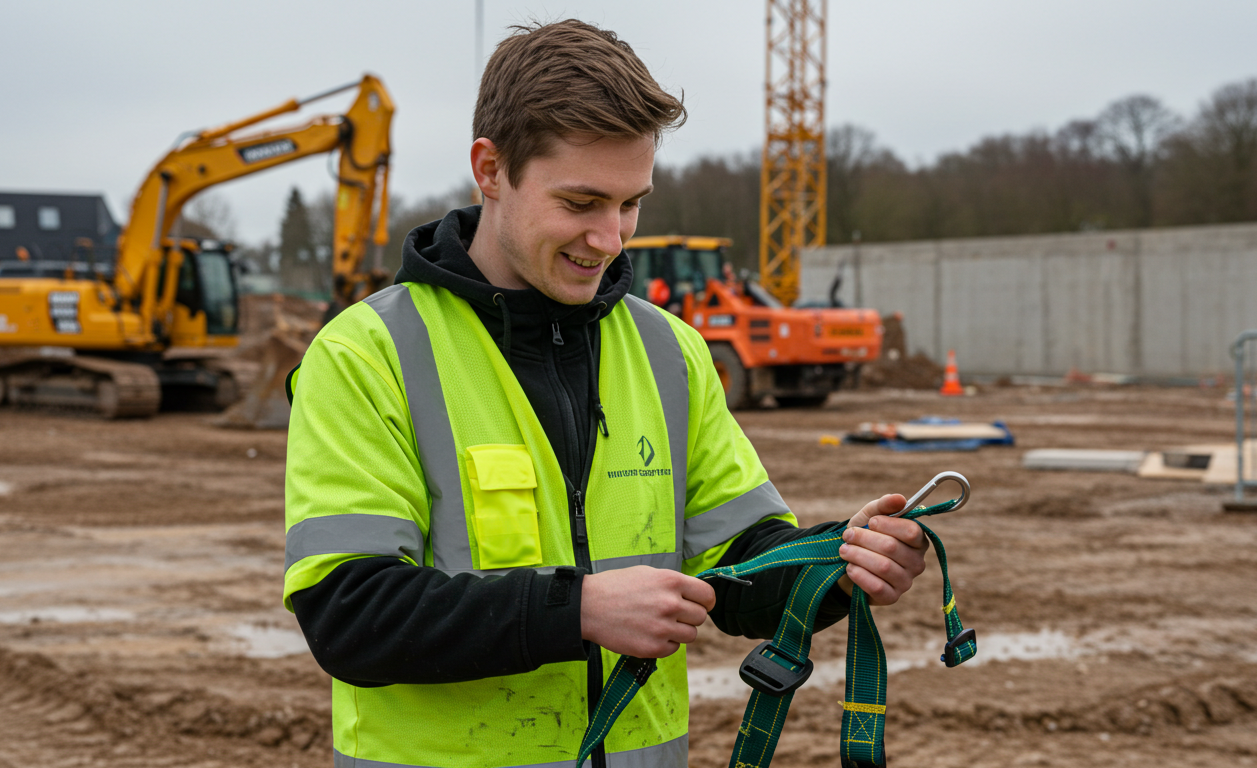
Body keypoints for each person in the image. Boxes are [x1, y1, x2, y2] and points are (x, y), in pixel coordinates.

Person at [283, 19, 929, 768]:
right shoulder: (368, 355)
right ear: (490, 170)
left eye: (630, 204)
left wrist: (837, 565)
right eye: (582, 203)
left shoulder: (669, 350)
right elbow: (350, 616)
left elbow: (739, 563)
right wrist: (579, 610)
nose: (611, 239)